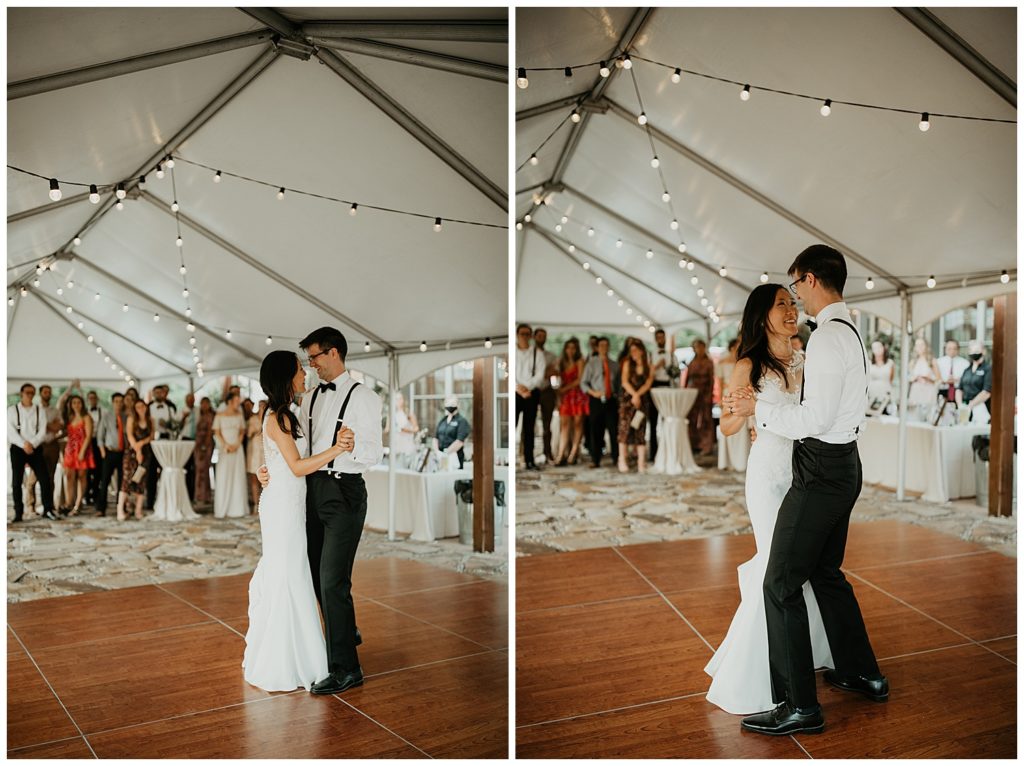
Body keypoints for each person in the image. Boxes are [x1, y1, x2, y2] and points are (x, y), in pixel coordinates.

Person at [725, 245, 886, 736]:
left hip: (818, 470)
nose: (794, 300)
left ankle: (799, 705)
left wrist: (762, 414)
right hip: (839, 466)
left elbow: (814, 419)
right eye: (785, 298)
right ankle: (863, 674)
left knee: (779, 582)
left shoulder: (825, 340)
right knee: (825, 571)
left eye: (795, 288)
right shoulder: (847, 330)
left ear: (811, 280)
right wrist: (751, 414)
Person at [706, 284, 833, 714]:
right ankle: (753, 670)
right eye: (781, 304)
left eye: (793, 302)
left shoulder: (806, 357)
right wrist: (738, 410)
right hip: (768, 474)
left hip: (806, 474)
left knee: (800, 566)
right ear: (763, 316)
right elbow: (726, 429)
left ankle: (801, 651)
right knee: (773, 565)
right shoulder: (747, 364)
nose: (791, 309)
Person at [260, 326, 383, 696]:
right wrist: (268, 468)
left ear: (333, 353)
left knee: (332, 580)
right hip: (310, 493)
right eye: (307, 360)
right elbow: (290, 448)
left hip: (344, 491)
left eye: (314, 357)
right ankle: (345, 629)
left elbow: (374, 454)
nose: (310, 365)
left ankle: (347, 669)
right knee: (313, 575)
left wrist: (351, 445)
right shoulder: (308, 398)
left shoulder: (365, 397)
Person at [243, 350, 351, 692]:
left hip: (289, 502)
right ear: (285, 377)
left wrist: (265, 472)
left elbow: (276, 461)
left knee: (292, 572)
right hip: (282, 508)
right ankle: (287, 659)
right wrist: (337, 449)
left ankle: (298, 652)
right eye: (299, 369)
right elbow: (297, 466)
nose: (305, 373)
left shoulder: (286, 414)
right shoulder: (277, 417)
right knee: (288, 574)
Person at [7, 383, 57, 521]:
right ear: (21, 393)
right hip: (18, 447)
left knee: (44, 479)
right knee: (17, 481)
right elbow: (10, 431)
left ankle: (48, 509)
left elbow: (42, 430)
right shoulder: (12, 410)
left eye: (32, 392)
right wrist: (24, 444)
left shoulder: (39, 410)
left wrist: (32, 444)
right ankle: (18, 513)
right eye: (27, 392)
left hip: (35, 447)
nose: (29, 395)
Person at [581, 337, 619, 468]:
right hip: (596, 400)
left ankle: (616, 458)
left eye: (606, 345)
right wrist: (593, 393)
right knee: (596, 430)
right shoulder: (591, 364)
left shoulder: (614, 364)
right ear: (597, 347)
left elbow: (618, 384)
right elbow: (583, 383)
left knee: (614, 430)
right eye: (601, 345)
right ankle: (595, 459)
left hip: (611, 401)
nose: (604, 348)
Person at [617, 339, 655, 473]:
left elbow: (648, 383)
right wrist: (634, 395)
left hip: (641, 402)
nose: (633, 353)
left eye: (635, 350)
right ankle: (622, 459)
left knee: (640, 430)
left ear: (641, 351)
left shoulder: (648, 366)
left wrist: (638, 395)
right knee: (624, 429)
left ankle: (641, 462)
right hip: (628, 401)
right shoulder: (628, 364)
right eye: (631, 350)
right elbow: (624, 381)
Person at [25, 383, 63, 514]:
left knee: (50, 477)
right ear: (40, 393)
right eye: (45, 392)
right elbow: (33, 428)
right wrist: (48, 425)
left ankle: (49, 505)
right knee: (33, 477)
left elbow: (58, 428)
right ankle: (31, 504)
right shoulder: (34, 409)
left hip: (52, 444)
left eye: (49, 392)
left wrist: (45, 425)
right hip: (38, 445)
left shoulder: (55, 410)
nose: (47, 394)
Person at [716, 338, 750, 471]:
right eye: (736, 347)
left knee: (740, 428)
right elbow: (718, 384)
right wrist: (719, 399)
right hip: (727, 396)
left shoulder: (744, 363)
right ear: (731, 348)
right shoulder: (722, 363)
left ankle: (741, 460)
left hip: (741, 396)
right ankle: (727, 461)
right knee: (727, 425)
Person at [515, 323, 545, 470]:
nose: (525, 337)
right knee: (512, 425)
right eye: (522, 334)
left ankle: (529, 460)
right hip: (516, 392)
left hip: (531, 393)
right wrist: (518, 388)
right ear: (517, 335)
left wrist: (527, 387)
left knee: (529, 428)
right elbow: (510, 372)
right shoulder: (512, 351)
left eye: (528, 334)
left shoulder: (537, 353)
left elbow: (540, 375)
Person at [213, 392, 248, 518]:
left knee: (237, 476)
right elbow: (217, 433)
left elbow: (242, 432)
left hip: (237, 449)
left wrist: (237, 444)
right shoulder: (219, 415)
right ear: (229, 401)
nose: (238, 402)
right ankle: (223, 508)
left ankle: (237, 508)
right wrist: (226, 445)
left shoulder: (239, 415)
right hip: (225, 450)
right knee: (224, 476)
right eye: (236, 400)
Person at [118, 399, 155, 521]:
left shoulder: (150, 420)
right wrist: (137, 450)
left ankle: (138, 510)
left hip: (146, 453)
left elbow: (151, 436)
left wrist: (142, 444)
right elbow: (129, 436)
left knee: (141, 481)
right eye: (138, 407)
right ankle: (120, 510)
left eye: (142, 406)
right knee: (127, 480)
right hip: (132, 453)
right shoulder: (131, 419)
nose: (141, 409)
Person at [554, 337, 588, 466]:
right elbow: (556, 376)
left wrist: (564, 389)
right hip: (565, 397)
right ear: (565, 349)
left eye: (573, 348)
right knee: (564, 425)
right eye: (568, 347)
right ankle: (561, 453)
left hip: (577, 395)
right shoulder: (561, 362)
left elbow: (579, 380)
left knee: (578, 424)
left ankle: (573, 452)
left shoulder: (580, 361)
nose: (571, 350)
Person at [61, 394, 96, 516]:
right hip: (70, 450)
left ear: (82, 404)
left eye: (79, 402)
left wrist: (82, 452)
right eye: (74, 402)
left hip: (82, 449)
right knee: (69, 476)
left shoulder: (86, 417)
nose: (76, 405)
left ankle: (78, 504)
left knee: (82, 477)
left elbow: (88, 436)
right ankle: (69, 502)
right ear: (71, 404)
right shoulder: (69, 417)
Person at [94, 392, 127, 517]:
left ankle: (121, 507)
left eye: (120, 401)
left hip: (123, 453)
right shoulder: (106, 416)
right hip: (109, 452)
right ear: (112, 402)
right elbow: (100, 435)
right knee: (105, 480)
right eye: (116, 401)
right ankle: (101, 508)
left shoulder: (126, 417)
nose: (119, 403)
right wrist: (103, 451)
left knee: (122, 482)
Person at [148, 385, 177, 508]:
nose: (159, 395)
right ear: (153, 394)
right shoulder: (148, 407)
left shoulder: (170, 408)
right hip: (153, 441)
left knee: (166, 470)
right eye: (156, 393)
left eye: (161, 392)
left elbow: (175, 426)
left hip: (166, 440)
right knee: (151, 473)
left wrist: (167, 425)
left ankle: (166, 500)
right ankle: (150, 502)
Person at [686, 339, 717, 456]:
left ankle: (706, 446)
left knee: (706, 419)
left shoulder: (709, 362)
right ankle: (694, 444)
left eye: (700, 347)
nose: (698, 349)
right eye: (696, 347)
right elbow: (687, 379)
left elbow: (711, 380)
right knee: (692, 418)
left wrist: (709, 395)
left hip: (705, 393)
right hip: (693, 393)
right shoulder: (692, 362)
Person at [648, 328, 675, 460]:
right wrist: (658, 365)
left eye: (662, 337)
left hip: (667, 387)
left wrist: (672, 371)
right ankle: (653, 453)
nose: (661, 340)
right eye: (658, 337)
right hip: (654, 387)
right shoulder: (650, 355)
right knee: (653, 421)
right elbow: (648, 374)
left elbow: (676, 375)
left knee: (668, 420)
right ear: (655, 339)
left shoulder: (671, 355)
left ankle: (668, 451)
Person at [534, 328, 558, 464]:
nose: (541, 338)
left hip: (547, 390)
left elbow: (554, 372)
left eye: (544, 336)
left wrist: (543, 372)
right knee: (528, 424)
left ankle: (547, 453)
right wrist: (544, 372)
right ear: (534, 337)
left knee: (547, 425)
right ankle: (526, 454)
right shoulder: (529, 355)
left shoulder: (551, 356)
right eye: (539, 335)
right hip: (533, 389)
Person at [956, 339, 992, 422]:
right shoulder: (967, 370)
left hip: (981, 409)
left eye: (977, 350)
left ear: (983, 351)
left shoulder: (988, 369)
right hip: (965, 409)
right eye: (972, 350)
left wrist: (970, 406)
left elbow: (986, 392)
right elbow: (959, 389)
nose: (974, 353)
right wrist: (960, 405)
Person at [907, 338, 941, 419]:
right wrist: (914, 378)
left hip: (928, 391)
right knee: (914, 415)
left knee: (928, 415)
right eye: (917, 345)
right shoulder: (912, 362)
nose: (920, 347)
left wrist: (929, 378)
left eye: (922, 345)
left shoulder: (932, 361)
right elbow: (909, 377)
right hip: (916, 391)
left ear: (926, 346)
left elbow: (939, 379)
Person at [436, 395, 471, 468]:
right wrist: (437, 452)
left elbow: (459, 441)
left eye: (453, 404)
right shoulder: (443, 420)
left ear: (458, 405)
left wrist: (446, 453)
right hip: (440, 457)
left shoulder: (462, 421)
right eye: (448, 404)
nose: (450, 406)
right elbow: (435, 437)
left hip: (455, 458)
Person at [246, 400, 268, 511]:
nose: (262, 408)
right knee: (254, 478)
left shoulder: (270, 418)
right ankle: (255, 504)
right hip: (254, 451)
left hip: (265, 451)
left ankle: (264, 504)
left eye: (264, 406)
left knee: (265, 478)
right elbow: (248, 434)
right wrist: (256, 429)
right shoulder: (253, 419)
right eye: (260, 406)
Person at [193, 397, 215, 505]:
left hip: (205, 445)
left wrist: (204, 446)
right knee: (199, 470)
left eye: (206, 404)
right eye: (202, 404)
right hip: (198, 444)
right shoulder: (200, 416)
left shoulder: (209, 416)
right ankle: (200, 495)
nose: (204, 406)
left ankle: (204, 496)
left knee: (203, 470)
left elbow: (210, 432)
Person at [85, 390, 103, 505]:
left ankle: (96, 494)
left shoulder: (103, 412)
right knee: (87, 471)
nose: (92, 400)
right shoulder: (84, 412)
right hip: (87, 443)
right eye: (90, 398)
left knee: (98, 470)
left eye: (94, 398)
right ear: (88, 400)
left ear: (97, 399)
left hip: (98, 442)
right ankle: (86, 495)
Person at [179, 393, 199, 500]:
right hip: (185, 439)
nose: (191, 401)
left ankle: (193, 494)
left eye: (192, 399)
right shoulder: (181, 411)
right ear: (185, 400)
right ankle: (185, 493)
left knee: (194, 467)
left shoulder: (198, 410)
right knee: (185, 466)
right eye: (189, 399)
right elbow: (178, 428)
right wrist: (183, 418)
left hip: (196, 440)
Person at [388, 392, 419, 457]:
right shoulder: (393, 415)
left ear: (404, 400)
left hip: (407, 444)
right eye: (396, 399)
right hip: (396, 444)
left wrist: (407, 430)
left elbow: (416, 429)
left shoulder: (408, 413)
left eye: (400, 399)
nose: (398, 401)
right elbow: (388, 430)